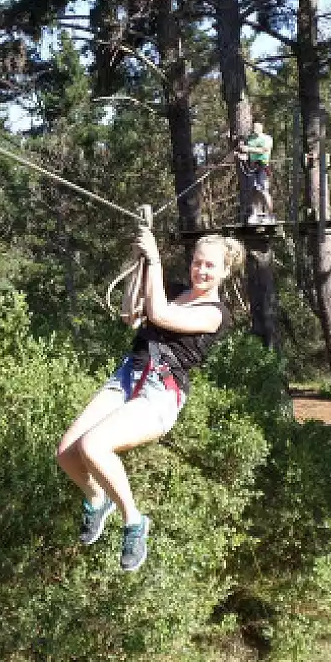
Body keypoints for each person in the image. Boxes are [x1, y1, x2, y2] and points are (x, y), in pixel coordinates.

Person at [56, 230, 244, 571]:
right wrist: (142, 266)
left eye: (209, 266)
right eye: (197, 263)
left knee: (94, 446)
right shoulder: (172, 290)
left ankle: (134, 521)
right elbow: (132, 315)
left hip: (161, 392)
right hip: (129, 374)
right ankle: (98, 500)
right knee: (67, 453)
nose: (201, 270)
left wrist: (155, 259)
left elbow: (160, 316)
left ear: (224, 272)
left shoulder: (216, 314)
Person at [238, 122, 274, 224]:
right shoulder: (250, 139)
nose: (255, 129)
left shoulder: (267, 138)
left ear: (261, 129)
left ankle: (270, 215)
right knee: (253, 190)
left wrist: (248, 149)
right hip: (252, 166)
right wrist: (243, 156)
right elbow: (247, 152)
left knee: (264, 190)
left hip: (263, 165)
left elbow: (264, 150)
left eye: (257, 128)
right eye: (254, 128)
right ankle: (255, 214)